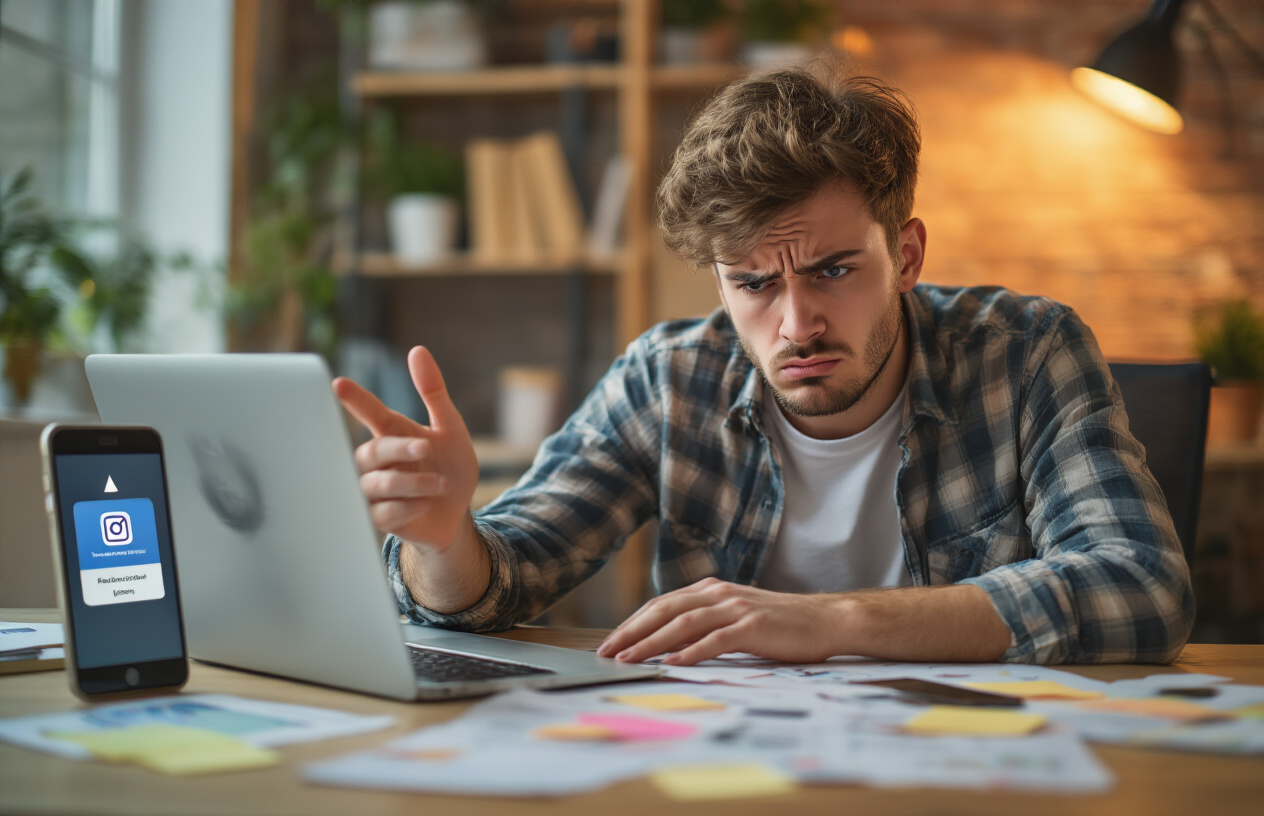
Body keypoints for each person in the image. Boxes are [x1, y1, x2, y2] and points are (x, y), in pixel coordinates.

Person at [334, 64, 1193, 667]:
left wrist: (833, 621)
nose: (796, 322)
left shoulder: (1028, 351)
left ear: (907, 252)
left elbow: (1141, 586)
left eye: (834, 269)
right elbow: (504, 577)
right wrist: (444, 539)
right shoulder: (669, 378)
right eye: (751, 284)